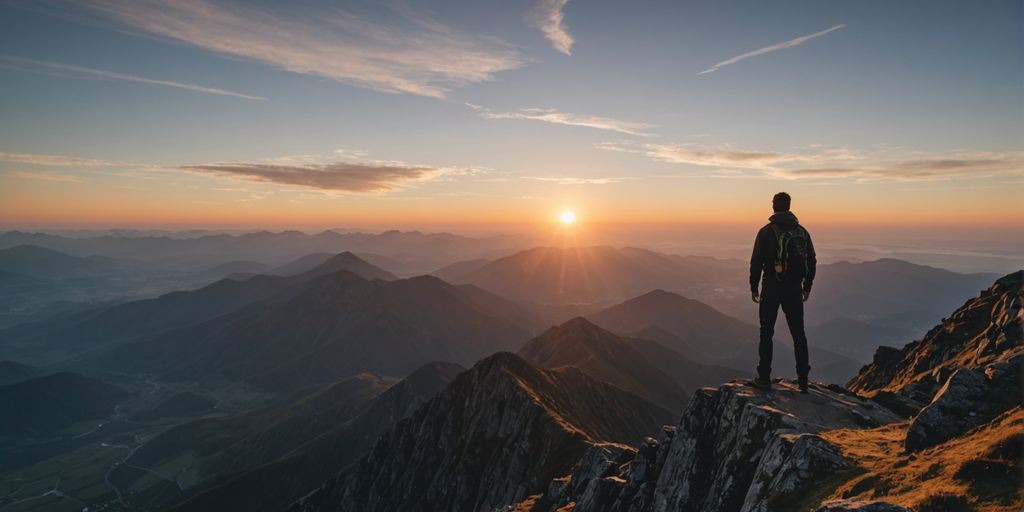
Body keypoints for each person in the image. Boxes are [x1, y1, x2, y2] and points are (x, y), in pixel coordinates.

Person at [749, 192, 816, 393]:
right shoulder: (802, 232)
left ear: (773, 207)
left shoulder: (766, 232)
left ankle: (763, 378)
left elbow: (756, 262)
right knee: (798, 334)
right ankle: (803, 380)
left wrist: (754, 286)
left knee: (766, 332)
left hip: (771, 286)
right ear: (788, 206)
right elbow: (811, 261)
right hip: (794, 288)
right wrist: (807, 287)